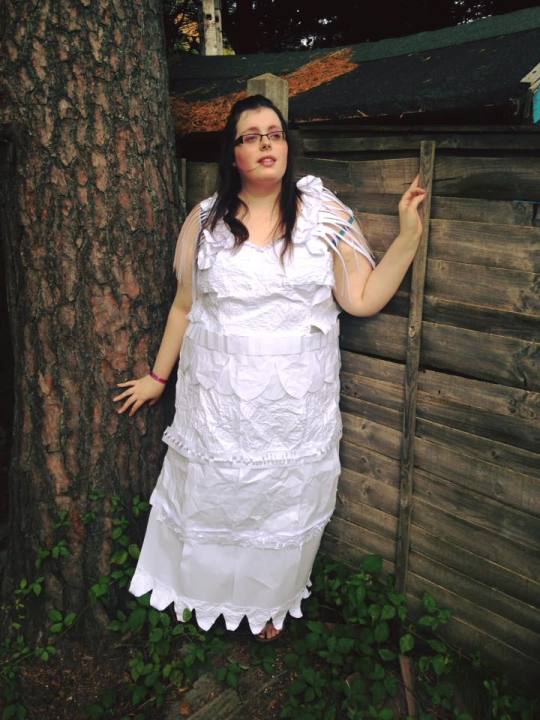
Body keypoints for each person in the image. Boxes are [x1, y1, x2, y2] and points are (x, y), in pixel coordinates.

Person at [113, 94, 426, 641]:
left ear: (286, 146)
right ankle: (198, 594)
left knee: (281, 504)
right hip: (216, 405)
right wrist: (158, 378)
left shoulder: (324, 216)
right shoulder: (205, 221)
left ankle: (267, 607)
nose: (266, 144)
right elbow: (185, 306)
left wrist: (409, 237)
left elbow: (361, 299)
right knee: (213, 498)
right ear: (232, 153)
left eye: (274, 134)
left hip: (292, 410)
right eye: (252, 136)